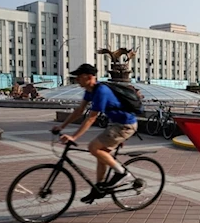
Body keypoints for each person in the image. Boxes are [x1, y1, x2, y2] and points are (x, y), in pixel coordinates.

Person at [52, 63, 138, 204]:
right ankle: (99, 188)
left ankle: (122, 173)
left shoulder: (101, 91)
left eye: (79, 77)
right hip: (116, 125)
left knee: (93, 147)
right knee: (101, 154)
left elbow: (92, 117)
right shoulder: (89, 91)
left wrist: (74, 137)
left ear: (90, 77)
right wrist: (61, 126)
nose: (77, 79)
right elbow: (79, 110)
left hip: (125, 125)